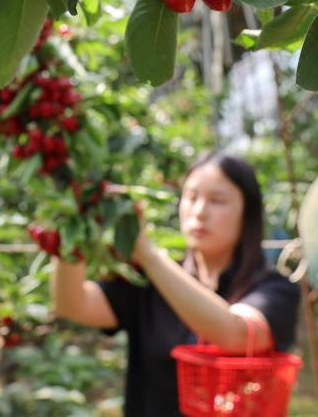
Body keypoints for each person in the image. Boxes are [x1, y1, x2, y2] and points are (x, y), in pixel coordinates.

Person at [50, 152, 301, 417]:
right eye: (191, 197)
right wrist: (72, 232)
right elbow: (72, 304)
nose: (200, 211)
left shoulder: (273, 289)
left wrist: (147, 254)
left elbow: (237, 334)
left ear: (246, 212)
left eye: (217, 201)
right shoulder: (149, 283)